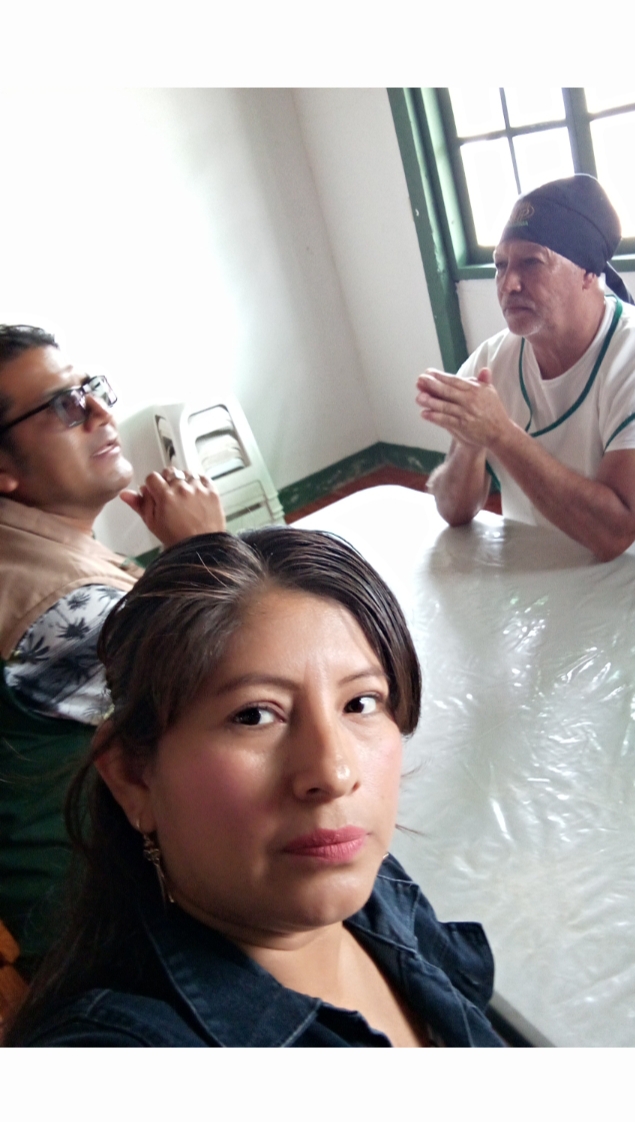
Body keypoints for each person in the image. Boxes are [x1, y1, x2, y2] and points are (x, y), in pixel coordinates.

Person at [4, 529, 502, 1047]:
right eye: (254, 715)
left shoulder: (369, 882)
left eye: (360, 703)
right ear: (133, 776)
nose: (334, 774)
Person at [0, 324, 226, 970]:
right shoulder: (60, 607)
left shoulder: (31, 549)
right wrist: (202, 550)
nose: (101, 412)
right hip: (117, 938)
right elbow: (247, 683)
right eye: (64, 405)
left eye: (91, 389)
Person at [416, 175, 635, 573]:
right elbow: (453, 510)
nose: (509, 284)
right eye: (500, 265)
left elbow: (613, 534)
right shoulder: (492, 361)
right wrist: (471, 444)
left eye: (531, 262)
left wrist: (500, 434)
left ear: (588, 272)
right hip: (556, 571)